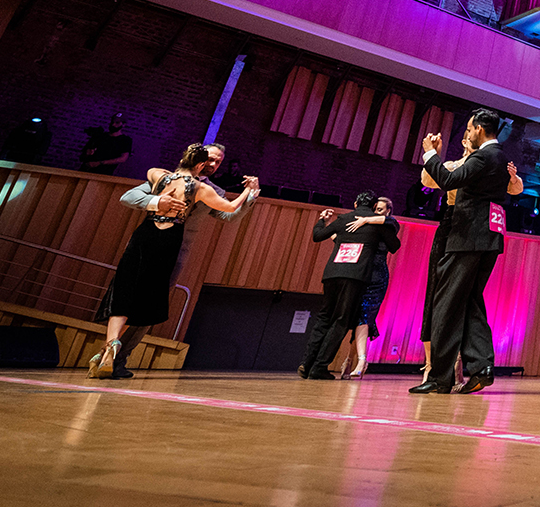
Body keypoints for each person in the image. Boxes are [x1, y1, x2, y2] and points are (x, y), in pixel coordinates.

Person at [88, 144, 258, 378]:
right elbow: (129, 196)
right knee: (129, 295)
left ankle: (116, 356)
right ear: (199, 160)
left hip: (175, 252)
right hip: (152, 242)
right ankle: (111, 353)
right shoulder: (167, 178)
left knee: (149, 305)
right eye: (209, 158)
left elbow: (228, 216)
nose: (213, 164)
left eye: (218, 161)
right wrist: (158, 203)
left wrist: (250, 196)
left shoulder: (211, 190)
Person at [411, 108, 524, 394]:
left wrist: (429, 155)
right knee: (470, 301)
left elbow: (448, 181)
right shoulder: (499, 158)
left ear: (480, 129)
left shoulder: (485, 156)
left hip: (467, 236)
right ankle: (482, 365)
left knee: (446, 305)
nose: (469, 134)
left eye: (471, 129)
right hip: (487, 238)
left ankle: (440, 378)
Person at [299, 192, 401, 379]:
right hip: (355, 277)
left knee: (323, 318)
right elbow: (395, 245)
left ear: (355, 203)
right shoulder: (375, 224)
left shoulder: (344, 219)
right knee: (341, 321)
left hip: (331, 274)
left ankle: (307, 363)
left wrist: (322, 220)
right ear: (372, 208)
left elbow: (318, 235)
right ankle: (319, 367)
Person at [414, 138, 473, 387]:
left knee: (462, 297)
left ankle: (456, 362)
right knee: (435, 292)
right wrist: (433, 155)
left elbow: (513, 190)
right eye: (470, 133)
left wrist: (514, 180)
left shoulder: (483, 163)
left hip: (470, 225)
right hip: (450, 224)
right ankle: (432, 364)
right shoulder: (453, 164)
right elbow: (428, 181)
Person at [335, 196, 397, 378]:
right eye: (374, 209)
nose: (376, 212)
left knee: (364, 316)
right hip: (360, 273)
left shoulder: (389, 225)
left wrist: (365, 219)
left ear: (387, 211)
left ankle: (360, 360)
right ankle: (350, 359)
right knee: (356, 317)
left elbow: (390, 221)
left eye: (380, 210)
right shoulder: (366, 227)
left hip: (377, 276)